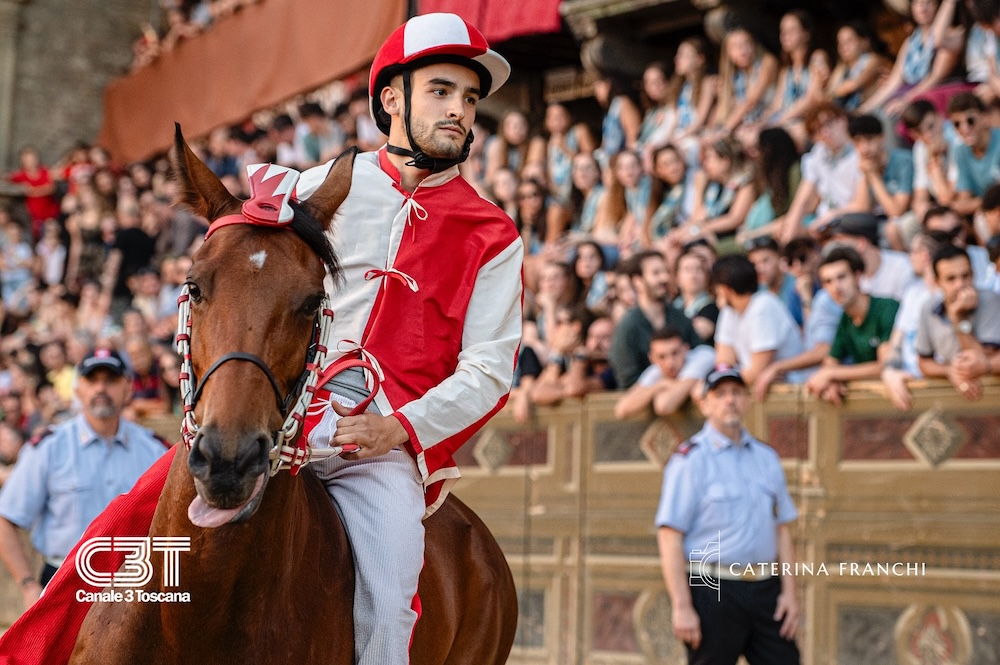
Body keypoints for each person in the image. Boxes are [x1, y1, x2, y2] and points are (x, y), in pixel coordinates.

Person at [0, 14, 523, 665]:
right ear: (393, 98)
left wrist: (401, 429)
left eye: (470, 98)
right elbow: (241, 257)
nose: (459, 110)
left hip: (379, 445)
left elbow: (491, 369)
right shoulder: (318, 186)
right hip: (275, 412)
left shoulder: (494, 233)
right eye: (442, 91)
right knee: (116, 528)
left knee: (389, 608)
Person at [0, 348, 167, 610]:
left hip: (136, 591)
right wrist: (29, 585)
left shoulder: (155, 451)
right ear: (78, 389)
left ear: (127, 388)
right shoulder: (49, 448)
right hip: (64, 587)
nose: (101, 388)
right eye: (92, 380)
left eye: (111, 380)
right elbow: (6, 518)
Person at [656, 366, 800, 665]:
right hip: (713, 589)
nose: (729, 400)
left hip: (766, 589)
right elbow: (670, 536)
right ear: (704, 404)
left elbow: (782, 529)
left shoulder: (766, 457)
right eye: (719, 394)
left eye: (736, 392)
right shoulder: (690, 460)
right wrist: (681, 606)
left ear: (747, 399)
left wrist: (790, 593)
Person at [805, 248, 899, 404]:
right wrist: (832, 381)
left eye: (841, 277)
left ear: (857, 275)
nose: (836, 287)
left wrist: (832, 374)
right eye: (828, 282)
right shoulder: (845, 319)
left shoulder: (886, 308)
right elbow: (830, 363)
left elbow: (885, 366)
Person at [916, 244, 1000, 399]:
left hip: (992, 397)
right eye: (951, 279)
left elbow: (978, 360)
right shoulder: (928, 308)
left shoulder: (990, 300)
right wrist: (949, 371)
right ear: (937, 282)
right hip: (957, 399)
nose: (960, 284)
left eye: (965, 276)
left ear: (973, 275)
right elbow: (923, 362)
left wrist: (957, 319)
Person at [609, 250, 700, 389]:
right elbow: (627, 380)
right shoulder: (627, 327)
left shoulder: (680, 316)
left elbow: (699, 353)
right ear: (637, 281)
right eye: (656, 273)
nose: (664, 278)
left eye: (666, 271)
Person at [712, 255, 806, 385]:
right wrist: (723, 377)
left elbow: (756, 373)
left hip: (794, 387)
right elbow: (723, 360)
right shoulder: (729, 311)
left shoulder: (763, 306)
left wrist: (722, 382)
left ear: (724, 290)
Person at [613, 326, 715, 418]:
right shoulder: (655, 371)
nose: (669, 363)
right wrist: (657, 387)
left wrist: (666, 385)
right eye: (662, 357)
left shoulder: (704, 356)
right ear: (652, 358)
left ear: (685, 349)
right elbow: (621, 410)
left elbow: (663, 405)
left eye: (675, 353)